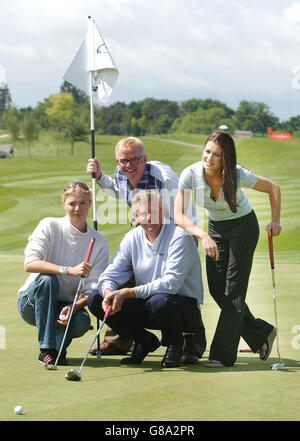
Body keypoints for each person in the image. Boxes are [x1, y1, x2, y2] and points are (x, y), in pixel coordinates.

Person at [87, 136, 205, 363]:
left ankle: (189, 341)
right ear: (117, 161)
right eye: (123, 161)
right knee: (116, 290)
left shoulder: (165, 179)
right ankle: (132, 339)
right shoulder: (122, 174)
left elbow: (181, 213)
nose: (128, 165)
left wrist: (171, 235)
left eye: (134, 160)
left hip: (177, 228)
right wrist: (100, 177)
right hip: (146, 229)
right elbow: (118, 192)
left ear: (145, 160)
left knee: (168, 294)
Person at [174, 131, 281, 368]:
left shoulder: (236, 174)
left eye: (216, 155)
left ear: (225, 158)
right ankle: (260, 333)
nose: (209, 158)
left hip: (243, 227)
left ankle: (222, 354)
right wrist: (203, 234)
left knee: (233, 289)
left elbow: (273, 188)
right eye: (207, 151)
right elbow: (178, 214)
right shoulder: (190, 174)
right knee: (216, 288)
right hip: (215, 229)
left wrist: (275, 220)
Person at [17, 182, 109, 368]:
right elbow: (30, 264)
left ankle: (56, 350)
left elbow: (92, 288)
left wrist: (75, 307)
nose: (77, 208)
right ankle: (46, 349)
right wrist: (68, 270)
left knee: (81, 322)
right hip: (32, 302)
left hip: (67, 305)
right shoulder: (49, 225)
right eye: (72, 203)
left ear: (90, 204)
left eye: (83, 203)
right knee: (47, 279)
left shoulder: (99, 241)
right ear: (64, 204)